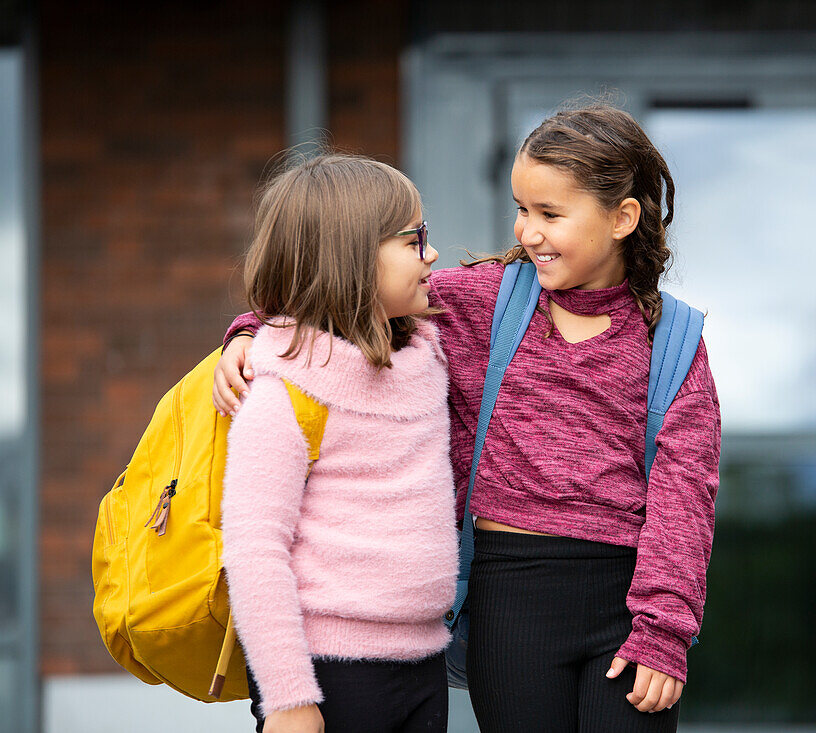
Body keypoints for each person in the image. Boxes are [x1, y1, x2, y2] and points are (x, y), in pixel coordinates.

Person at [216, 105, 721, 732]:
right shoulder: (487, 302)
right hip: (507, 597)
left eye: (550, 214)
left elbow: (684, 495)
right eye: (522, 210)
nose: (528, 231)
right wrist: (251, 331)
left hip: (627, 604)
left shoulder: (672, 340)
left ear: (622, 218)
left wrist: (664, 628)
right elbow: (350, 296)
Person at [219, 154, 457, 733]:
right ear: (350, 256)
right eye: (413, 238)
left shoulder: (429, 353)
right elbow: (253, 551)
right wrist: (287, 697)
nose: (431, 255)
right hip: (328, 672)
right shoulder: (285, 393)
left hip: (425, 664)